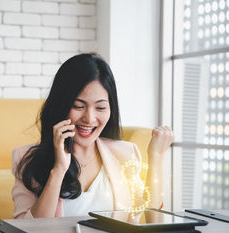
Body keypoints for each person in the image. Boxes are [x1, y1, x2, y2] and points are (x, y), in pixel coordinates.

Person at [11, 53, 174, 219]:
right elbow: (28, 231)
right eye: (78, 106)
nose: (89, 118)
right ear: (61, 105)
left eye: (101, 108)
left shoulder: (125, 155)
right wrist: (58, 170)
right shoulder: (27, 159)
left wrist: (156, 156)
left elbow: (154, 223)